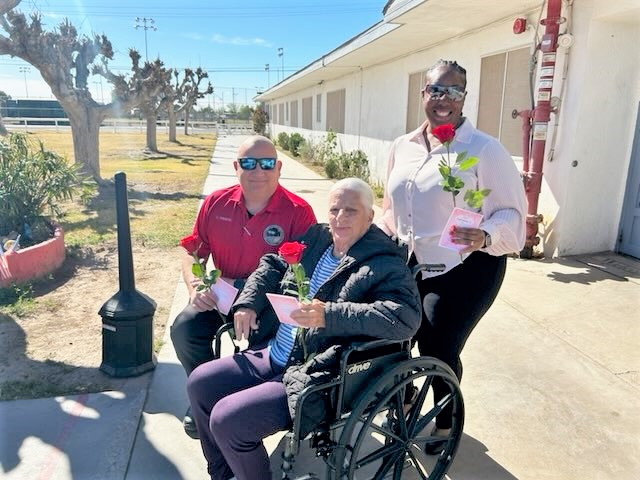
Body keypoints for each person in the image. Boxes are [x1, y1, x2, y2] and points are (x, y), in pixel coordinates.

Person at [187, 178, 422, 480]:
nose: (339, 218)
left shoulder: (384, 262)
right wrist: (248, 302)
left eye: (351, 211)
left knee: (228, 420)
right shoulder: (318, 237)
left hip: (317, 372)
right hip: (275, 350)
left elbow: (405, 318)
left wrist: (329, 315)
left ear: (370, 216)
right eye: (335, 209)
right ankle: (225, 474)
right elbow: (273, 263)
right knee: (200, 383)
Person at [378, 59, 527, 453]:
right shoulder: (402, 147)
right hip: (410, 260)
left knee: (437, 344)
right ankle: (405, 399)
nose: (443, 98)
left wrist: (486, 233)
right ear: (422, 94)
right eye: (435, 90)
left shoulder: (484, 150)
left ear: (464, 97)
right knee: (393, 337)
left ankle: (445, 423)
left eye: (453, 91)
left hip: (468, 264)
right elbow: (391, 207)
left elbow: (513, 214)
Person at [170, 135, 316, 438]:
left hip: (269, 302)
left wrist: (253, 301)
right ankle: (207, 395)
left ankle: (246, 405)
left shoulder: (298, 211)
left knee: (273, 350)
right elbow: (191, 249)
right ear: (237, 167)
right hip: (222, 294)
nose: (257, 171)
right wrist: (196, 285)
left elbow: (304, 270)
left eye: (266, 164)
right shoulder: (216, 202)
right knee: (184, 328)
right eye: (249, 163)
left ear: (278, 168)